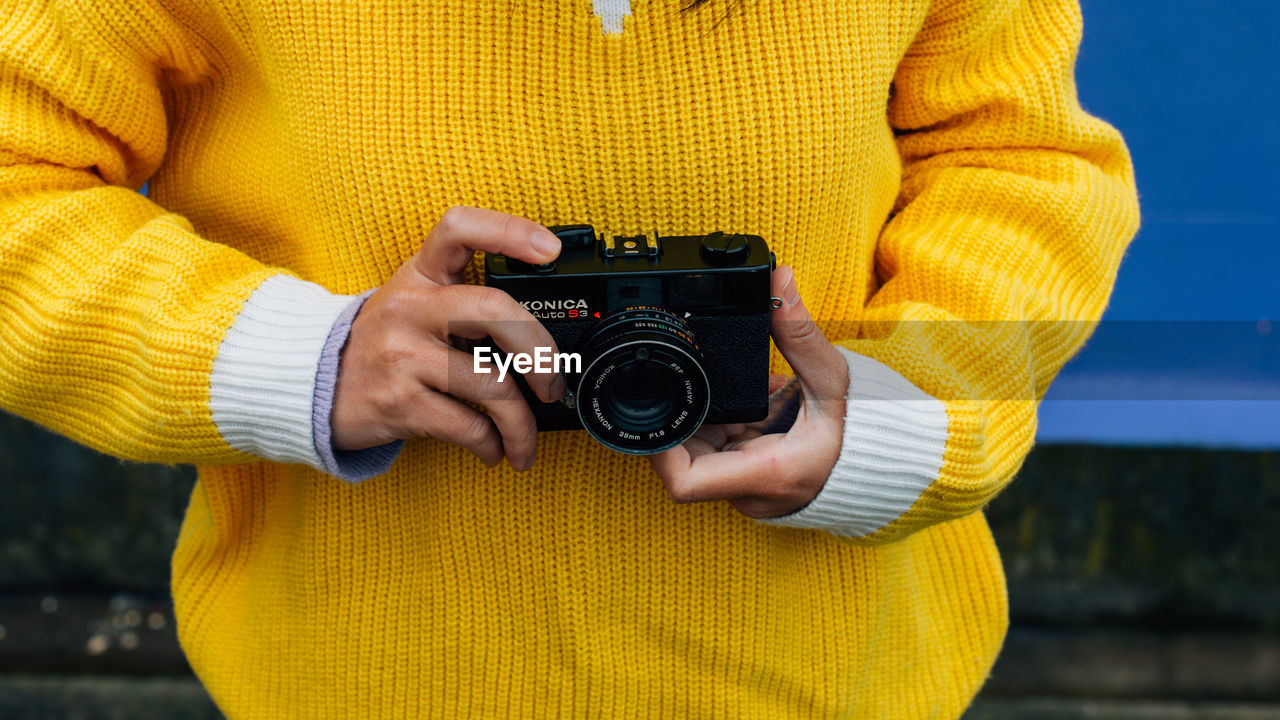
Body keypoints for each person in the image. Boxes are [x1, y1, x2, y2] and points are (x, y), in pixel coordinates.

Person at [0, 0, 1139, 717]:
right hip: (354, 674)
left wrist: (897, 414)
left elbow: (1016, 159)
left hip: (842, 675)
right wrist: (305, 357)